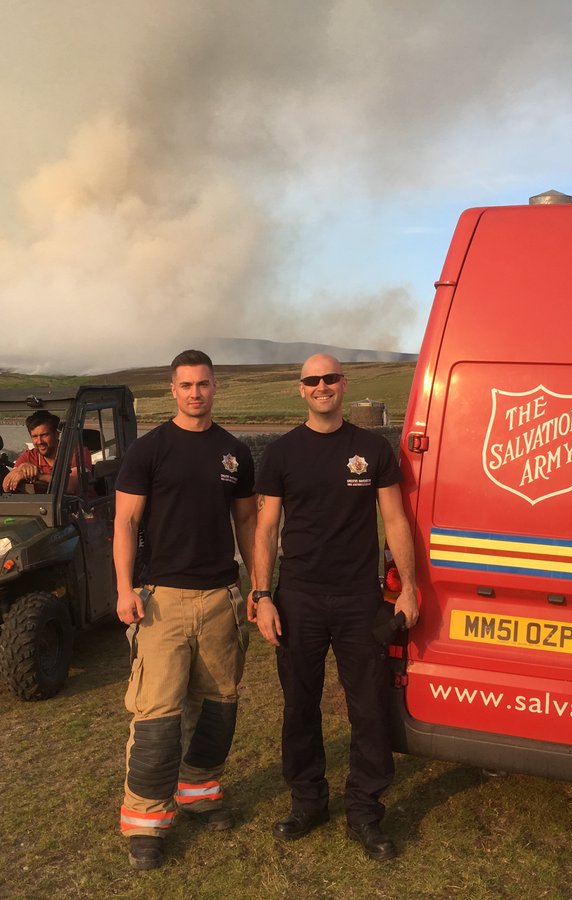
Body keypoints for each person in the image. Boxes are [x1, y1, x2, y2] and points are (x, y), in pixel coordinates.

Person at [251, 352, 417, 861]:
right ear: (300, 389)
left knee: (368, 707)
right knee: (300, 705)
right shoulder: (281, 453)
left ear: (344, 383)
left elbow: (395, 520)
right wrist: (262, 596)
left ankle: (365, 811)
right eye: (312, 380)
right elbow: (265, 530)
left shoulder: (371, 449)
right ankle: (308, 802)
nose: (321, 386)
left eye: (329, 378)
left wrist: (409, 587)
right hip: (298, 597)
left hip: (358, 598)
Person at [112, 349, 257, 871]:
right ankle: (146, 821)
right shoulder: (148, 450)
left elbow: (247, 523)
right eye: (186, 385)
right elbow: (125, 523)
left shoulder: (234, 453)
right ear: (172, 390)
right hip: (162, 600)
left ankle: (199, 792)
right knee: (157, 714)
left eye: (204, 384)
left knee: (219, 704)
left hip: (221, 598)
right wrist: (124, 588)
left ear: (216, 387)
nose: (196, 393)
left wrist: (258, 587)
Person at [1, 411, 86, 493]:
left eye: (44, 435)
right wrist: (20, 469)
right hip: (41, 502)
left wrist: (38, 476)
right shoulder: (29, 456)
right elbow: (6, 487)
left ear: (56, 434)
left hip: (73, 502)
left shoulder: (77, 453)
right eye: (35, 436)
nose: (39, 441)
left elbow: (71, 486)